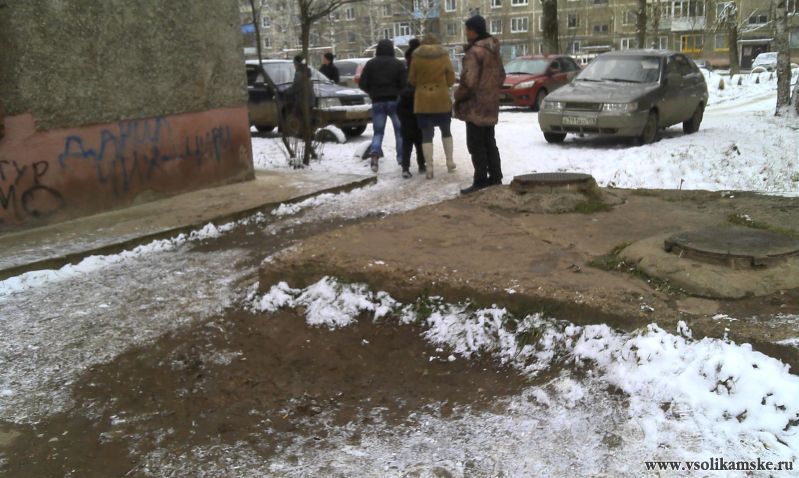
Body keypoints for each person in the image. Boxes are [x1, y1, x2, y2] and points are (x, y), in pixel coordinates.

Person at [453, 15, 505, 194]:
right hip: (490, 104)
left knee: (476, 144)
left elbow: (469, 82)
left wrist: (458, 97)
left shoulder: (474, 52)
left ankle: (481, 179)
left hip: (475, 106)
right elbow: (502, 76)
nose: (466, 32)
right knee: (489, 141)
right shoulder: (494, 51)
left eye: (467, 29)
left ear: (473, 30)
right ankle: (496, 177)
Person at [408, 33, 456, 179]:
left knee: (426, 135)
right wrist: (443, 84)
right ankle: (449, 161)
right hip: (441, 99)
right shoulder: (444, 55)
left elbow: (412, 79)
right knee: (446, 131)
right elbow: (451, 78)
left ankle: (429, 167)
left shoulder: (416, 56)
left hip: (423, 101)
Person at [359, 39, 405, 173]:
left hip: (377, 101)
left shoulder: (370, 64)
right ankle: (401, 158)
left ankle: (374, 155)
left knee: (378, 132)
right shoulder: (398, 64)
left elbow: (362, 83)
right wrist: (398, 93)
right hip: (394, 101)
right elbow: (404, 83)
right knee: (399, 131)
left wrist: (372, 92)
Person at [396, 38, 425, 178]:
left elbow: (400, 87)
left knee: (407, 140)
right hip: (419, 106)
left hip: (405, 107)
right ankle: (422, 165)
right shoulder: (422, 66)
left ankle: (405, 167)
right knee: (420, 138)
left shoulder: (405, 68)